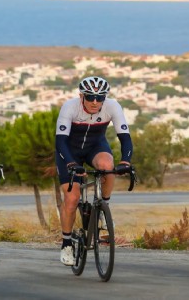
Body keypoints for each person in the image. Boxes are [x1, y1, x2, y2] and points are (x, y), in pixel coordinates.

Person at [56, 76, 133, 266]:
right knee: (72, 199)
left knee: (108, 167)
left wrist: (126, 161)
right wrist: (71, 164)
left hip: (95, 147)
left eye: (100, 98)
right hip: (69, 151)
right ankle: (66, 243)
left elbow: (125, 137)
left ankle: (103, 208)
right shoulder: (70, 107)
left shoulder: (113, 106)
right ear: (81, 95)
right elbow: (60, 142)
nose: (95, 102)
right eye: (90, 97)